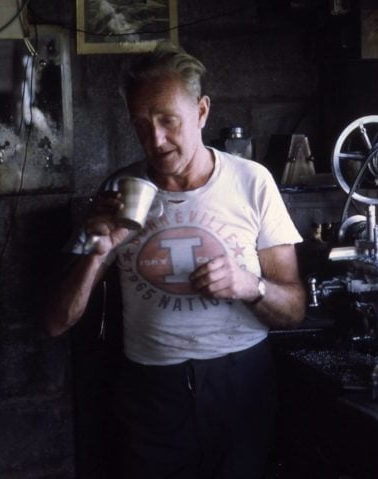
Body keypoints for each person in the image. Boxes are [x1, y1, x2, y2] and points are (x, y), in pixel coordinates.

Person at [44, 41, 306, 479]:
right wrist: (97, 252)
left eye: (168, 121)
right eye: (142, 126)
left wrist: (248, 285)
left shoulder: (251, 182)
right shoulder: (121, 191)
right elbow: (55, 322)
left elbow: (294, 309)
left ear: (202, 112)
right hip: (152, 390)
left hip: (240, 381)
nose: (156, 140)